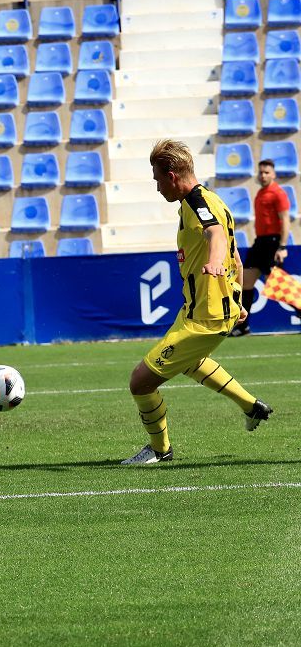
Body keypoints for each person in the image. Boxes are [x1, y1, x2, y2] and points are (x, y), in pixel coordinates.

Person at [123, 139, 272, 465]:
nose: (158, 188)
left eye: (158, 180)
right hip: (201, 309)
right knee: (189, 362)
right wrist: (236, 297)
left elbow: (217, 237)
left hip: (203, 316)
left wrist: (215, 263)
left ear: (173, 175)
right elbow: (235, 253)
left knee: (140, 382)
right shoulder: (213, 200)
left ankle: (160, 450)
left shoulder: (197, 204)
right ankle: (252, 406)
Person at [230, 158, 292, 336]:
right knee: (246, 283)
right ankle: (243, 326)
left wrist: (282, 246)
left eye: (266, 172)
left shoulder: (278, 193)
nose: (263, 175)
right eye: (261, 172)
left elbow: (285, 220)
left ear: (273, 174)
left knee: (278, 284)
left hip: (272, 243)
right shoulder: (260, 193)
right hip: (260, 243)